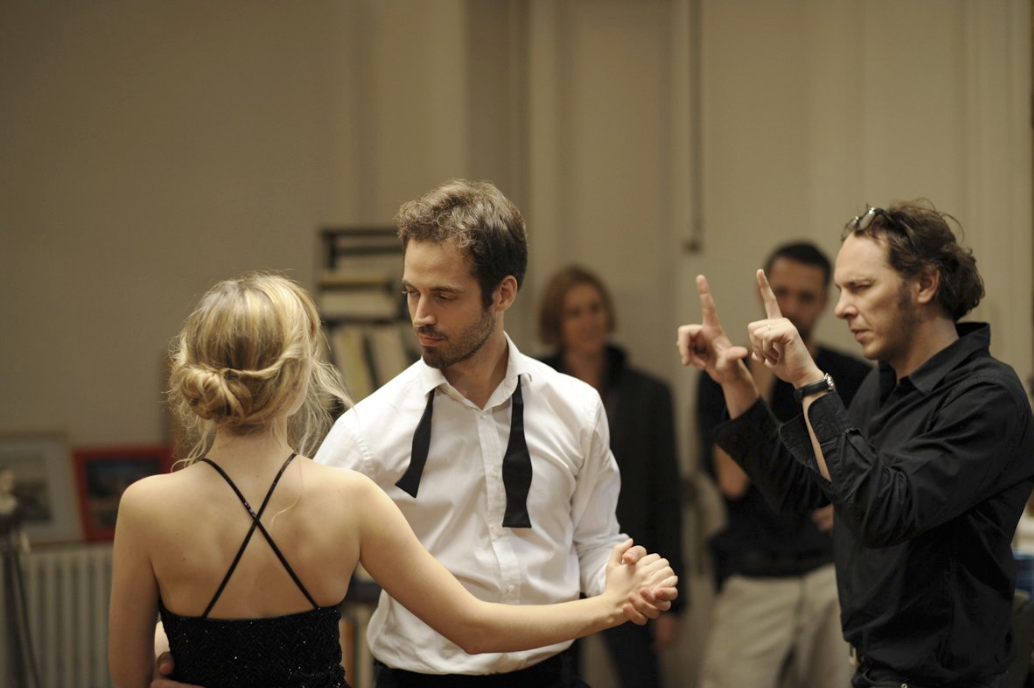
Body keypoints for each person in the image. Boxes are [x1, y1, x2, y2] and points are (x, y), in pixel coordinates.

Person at [108, 273, 677, 688]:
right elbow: (473, 626)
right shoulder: (347, 498)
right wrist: (611, 605)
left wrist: (169, 641)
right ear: (301, 376)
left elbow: (132, 678)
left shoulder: (144, 506)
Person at [313, 179, 677, 686]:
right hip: (422, 677)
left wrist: (620, 577)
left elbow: (593, 540)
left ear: (503, 293)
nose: (421, 315)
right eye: (411, 292)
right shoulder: (368, 429)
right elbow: (292, 557)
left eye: (443, 295)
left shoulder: (575, 407)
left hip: (551, 674)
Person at [676, 200, 1034, 688]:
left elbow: (885, 511)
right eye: (842, 290)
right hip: (873, 669)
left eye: (861, 288)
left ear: (925, 284)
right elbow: (799, 491)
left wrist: (808, 380)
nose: (842, 308)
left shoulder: (986, 395)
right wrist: (735, 382)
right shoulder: (881, 386)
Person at [695, 242, 870, 688]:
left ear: (824, 304)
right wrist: (762, 374)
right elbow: (732, 482)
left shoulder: (849, 375)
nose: (790, 307)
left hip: (827, 571)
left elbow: (870, 472)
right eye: (782, 292)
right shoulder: (725, 372)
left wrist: (848, 506)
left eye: (805, 297)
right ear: (765, 294)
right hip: (755, 571)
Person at [537, 265, 685, 688]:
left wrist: (675, 603)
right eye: (574, 312)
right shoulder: (535, 391)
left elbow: (667, 496)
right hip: (555, 567)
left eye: (595, 308)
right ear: (556, 324)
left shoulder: (650, 395)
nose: (589, 321)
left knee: (642, 678)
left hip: (629, 561)